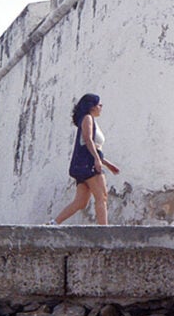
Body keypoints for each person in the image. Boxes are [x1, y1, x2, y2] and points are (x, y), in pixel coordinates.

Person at [48, 94, 120, 225]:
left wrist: (107, 164)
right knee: (102, 197)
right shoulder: (88, 118)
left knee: (81, 202)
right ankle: (103, 230)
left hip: (82, 165)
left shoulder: (90, 120)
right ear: (92, 106)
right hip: (89, 165)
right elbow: (88, 140)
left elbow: (92, 147)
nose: (101, 107)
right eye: (99, 105)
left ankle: (54, 223)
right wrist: (97, 160)